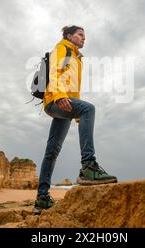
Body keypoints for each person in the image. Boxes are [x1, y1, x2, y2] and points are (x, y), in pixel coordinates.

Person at [33, 25, 117, 215]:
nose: (83, 38)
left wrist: (78, 115)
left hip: (65, 104)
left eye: (84, 36)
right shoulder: (62, 48)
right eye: (80, 35)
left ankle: (42, 199)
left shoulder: (77, 58)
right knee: (90, 108)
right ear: (69, 36)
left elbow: (74, 89)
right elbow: (54, 71)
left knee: (52, 151)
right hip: (57, 100)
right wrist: (60, 95)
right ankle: (88, 166)